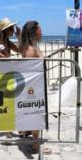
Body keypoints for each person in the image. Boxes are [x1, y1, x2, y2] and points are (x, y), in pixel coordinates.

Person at [19, 20, 51, 154]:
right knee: (35, 114)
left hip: (34, 87)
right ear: (34, 32)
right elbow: (30, 71)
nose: (42, 31)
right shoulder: (31, 50)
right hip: (33, 88)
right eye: (39, 29)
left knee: (33, 113)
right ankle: (36, 145)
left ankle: (27, 132)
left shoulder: (29, 46)